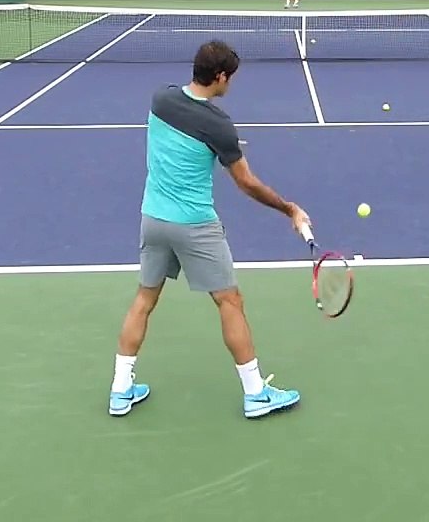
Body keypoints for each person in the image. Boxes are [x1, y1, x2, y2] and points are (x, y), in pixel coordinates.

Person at [109, 40, 311, 420]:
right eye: (230, 78)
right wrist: (289, 209)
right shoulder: (219, 126)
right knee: (229, 302)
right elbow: (247, 183)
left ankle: (120, 390)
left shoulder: (161, 99)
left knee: (144, 301)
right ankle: (256, 394)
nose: (230, 84)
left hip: (152, 219)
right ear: (219, 77)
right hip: (194, 226)